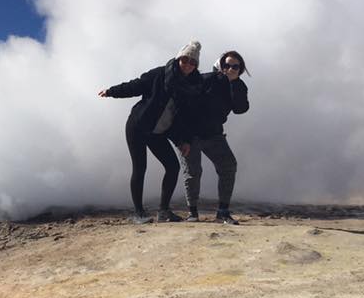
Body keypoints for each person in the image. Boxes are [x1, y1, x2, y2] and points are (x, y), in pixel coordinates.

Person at [98, 41, 203, 223]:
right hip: (138, 127)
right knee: (140, 168)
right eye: (185, 59)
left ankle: (164, 211)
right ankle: (139, 213)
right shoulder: (160, 74)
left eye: (193, 62)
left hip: (159, 133)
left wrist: (183, 140)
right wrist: (111, 91)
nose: (188, 65)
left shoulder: (193, 86)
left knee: (173, 167)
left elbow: (185, 118)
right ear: (178, 58)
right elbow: (136, 86)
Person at [178, 50, 250, 224]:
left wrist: (233, 84)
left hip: (214, 134)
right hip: (190, 134)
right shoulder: (207, 79)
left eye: (235, 66)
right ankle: (192, 213)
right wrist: (181, 138)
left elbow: (240, 109)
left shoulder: (239, 86)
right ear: (221, 66)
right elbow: (183, 103)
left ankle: (223, 212)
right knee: (193, 172)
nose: (230, 69)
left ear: (240, 69)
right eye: (227, 65)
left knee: (228, 166)